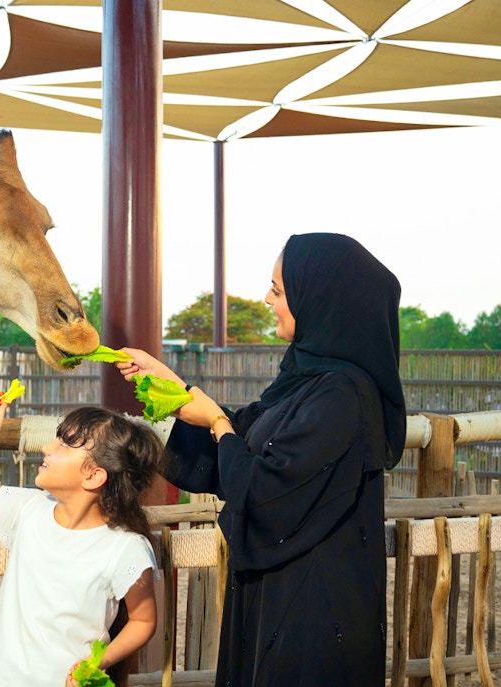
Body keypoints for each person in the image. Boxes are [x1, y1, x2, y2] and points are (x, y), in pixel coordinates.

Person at [116, 232, 406, 686]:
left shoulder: (342, 395)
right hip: (281, 594)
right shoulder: (306, 381)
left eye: (278, 290)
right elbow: (246, 433)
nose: (267, 299)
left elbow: (266, 490)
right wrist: (170, 384)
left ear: (318, 299)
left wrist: (216, 422)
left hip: (314, 612)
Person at [0, 402, 162, 687]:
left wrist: (98, 662)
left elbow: (143, 621)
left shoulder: (127, 548)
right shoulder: (26, 508)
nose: (47, 448)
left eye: (64, 444)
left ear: (94, 475)